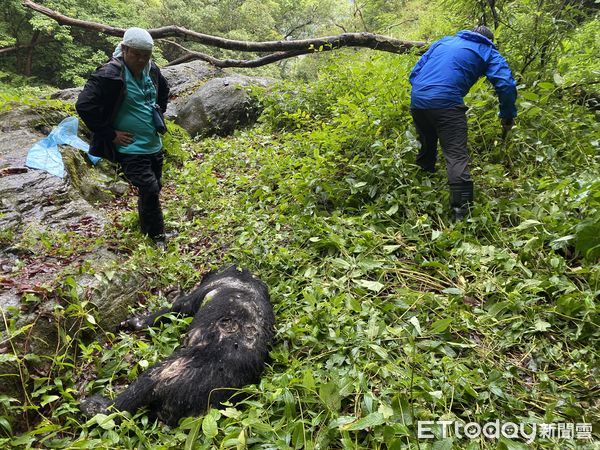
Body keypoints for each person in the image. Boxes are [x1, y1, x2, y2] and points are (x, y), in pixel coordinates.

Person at [409, 25, 517, 221]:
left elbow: (414, 72)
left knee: (427, 142)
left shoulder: (443, 41)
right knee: (456, 154)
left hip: (418, 100)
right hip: (447, 104)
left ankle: (421, 186)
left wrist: (425, 93)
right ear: (489, 40)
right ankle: (462, 213)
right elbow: (506, 84)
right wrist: (507, 115)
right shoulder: (487, 51)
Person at [76, 27, 170, 247]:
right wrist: (110, 134)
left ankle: (147, 227)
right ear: (124, 49)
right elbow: (84, 104)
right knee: (149, 188)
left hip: (152, 143)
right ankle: (157, 236)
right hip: (130, 148)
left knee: (154, 186)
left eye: (145, 55)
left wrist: (157, 114)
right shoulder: (109, 74)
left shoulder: (152, 69)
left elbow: (164, 90)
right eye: (136, 54)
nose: (140, 59)